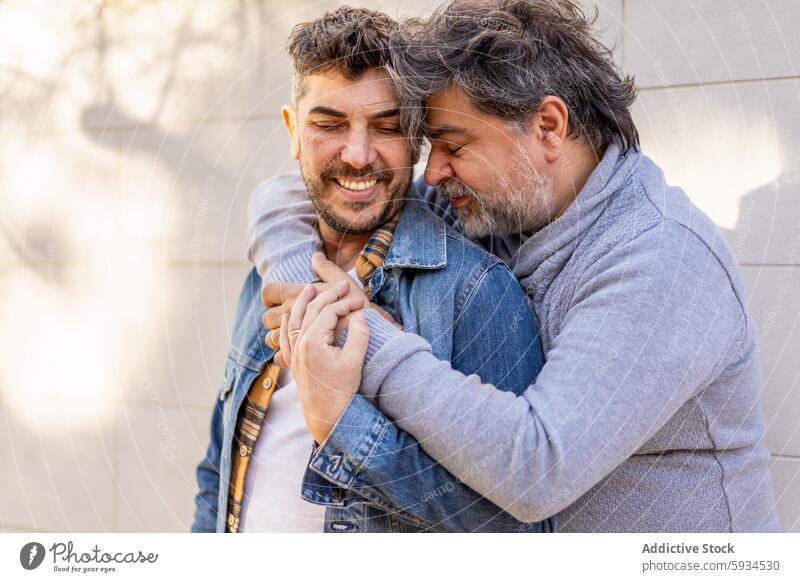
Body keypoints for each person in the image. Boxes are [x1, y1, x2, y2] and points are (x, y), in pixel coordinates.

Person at [253, 0, 778, 532]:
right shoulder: (498, 205)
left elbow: (538, 468)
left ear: (547, 127)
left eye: (454, 146)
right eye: (432, 146)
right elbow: (285, 195)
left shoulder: (660, 260)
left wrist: (357, 335)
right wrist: (305, 282)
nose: (432, 173)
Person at [191, 5, 552, 534]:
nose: (357, 155)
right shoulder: (271, 277)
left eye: (385, 127)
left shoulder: (476, 294)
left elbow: (519, 533)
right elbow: (216, 470)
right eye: (329, 124)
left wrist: (341, 422)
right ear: (292, 132)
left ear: (415, 141)